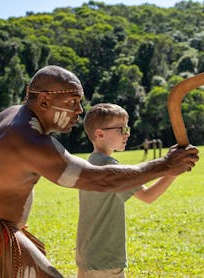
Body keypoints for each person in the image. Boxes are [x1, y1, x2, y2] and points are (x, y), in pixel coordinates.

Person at [0, 65, 199, 278]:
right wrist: (165, 165)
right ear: (44, 100)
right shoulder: (28, 140)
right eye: (72, 102)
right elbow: (99, 179)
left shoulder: (13, 115)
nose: (78, 111)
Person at [76, 103, 188, 278]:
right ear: (100, 134)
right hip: (106, 257)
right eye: (121, 129)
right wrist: (174, 170)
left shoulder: (90, 163)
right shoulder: (109, 166)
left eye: (127, 128)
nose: (127, 133)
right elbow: (148, 196)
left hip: (87, 254)